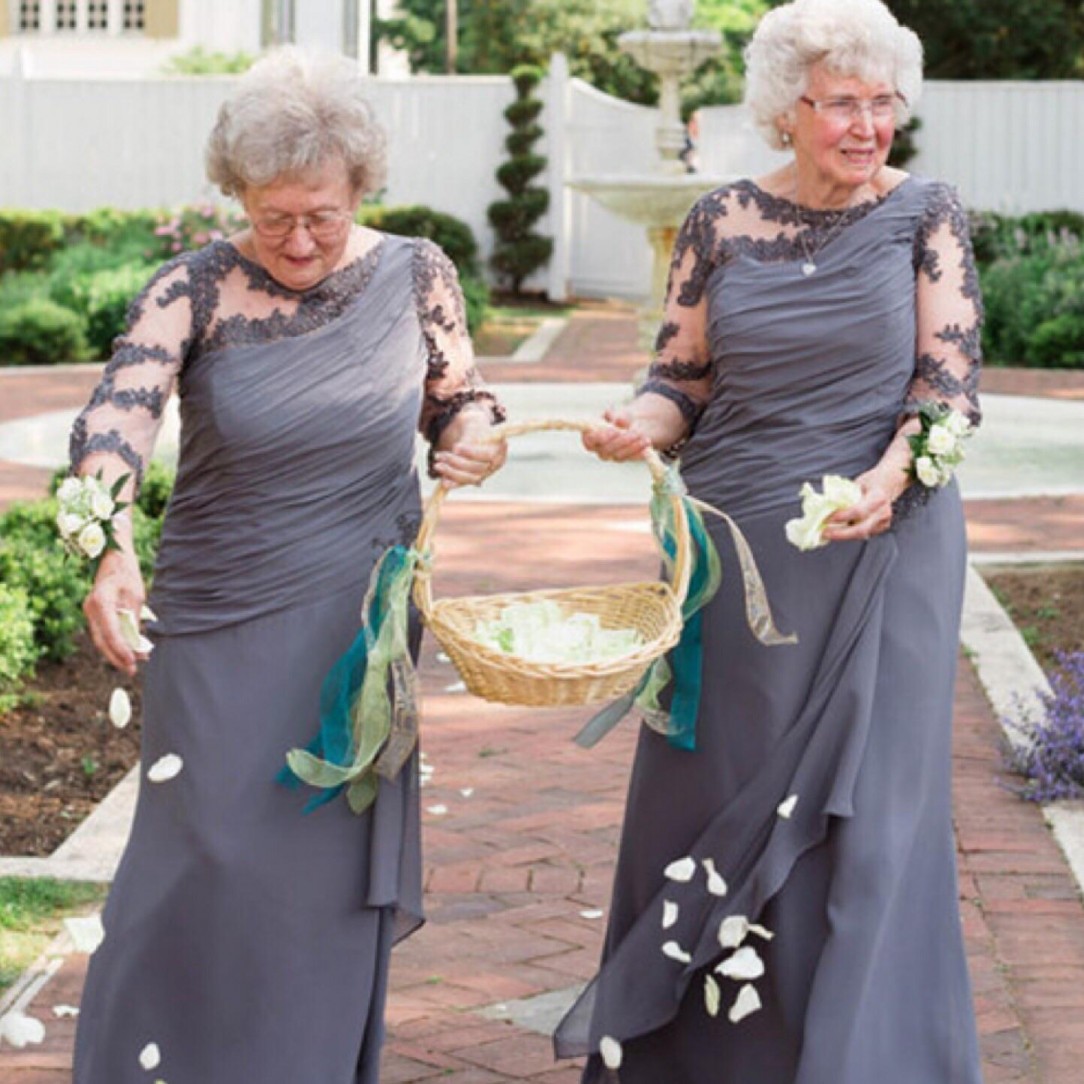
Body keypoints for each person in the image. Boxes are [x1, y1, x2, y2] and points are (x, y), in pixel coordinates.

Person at [562, 0, 984, 1080]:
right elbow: (679, 382)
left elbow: (946, 391)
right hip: (736, 551)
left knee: (874, 817)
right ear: (786, 111)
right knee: (719, 791)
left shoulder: (926, 215)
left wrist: (891, 480)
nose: (867, 125)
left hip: (887, 544)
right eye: (843, 102)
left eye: (883, 102)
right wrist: (634, 425)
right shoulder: (718, 222)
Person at [68, 48, 505, 1083]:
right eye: (275, 218)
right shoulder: (193, 288)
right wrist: (110, 549)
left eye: (323, 214)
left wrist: (477, 431)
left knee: (317, 880)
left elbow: (462, 399)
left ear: (361, 188)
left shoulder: (417, 273)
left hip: (356, 626)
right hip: (219, 623)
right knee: (205, 857)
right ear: (237, 198)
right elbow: (112, 426)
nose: (300, 240)